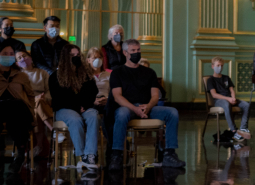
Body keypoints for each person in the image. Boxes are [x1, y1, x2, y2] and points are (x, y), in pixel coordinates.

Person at [109, 39, 185, 170]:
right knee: (121, 113)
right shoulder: (117, 72)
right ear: (125, 52)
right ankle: (117, 156)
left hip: (147, 107)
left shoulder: (149, 72)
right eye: (133, 51)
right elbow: (117, 96)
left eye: (138, 50)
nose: (136, 53)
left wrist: (148, 106)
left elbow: (155, 95)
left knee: (172, 112)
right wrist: (135, 109)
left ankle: (169, 155)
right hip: (128, 108)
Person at [49, 44, 100, 170]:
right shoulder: (55, 76)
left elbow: (92, 92)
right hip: (64, 109)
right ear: (66, 58)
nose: (76, 57)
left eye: (78, 55)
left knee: (93, 115)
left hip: (83, 107)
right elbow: (60, 98)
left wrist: (85, 105)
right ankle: (82, 155)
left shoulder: (86, 74)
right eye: (72, 55)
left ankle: (90, 155)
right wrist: (77, 106)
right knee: (75, 119)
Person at [0, 43, 35, 172]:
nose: (8, 57)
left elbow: (30, 96)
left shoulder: (21, 75)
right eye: (4, 54)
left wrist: (31, 109)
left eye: (11, 54)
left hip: (18, 111)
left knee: (18, 106)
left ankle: (20, 154)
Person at [16, 49, 56, 152]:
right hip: (27, 103)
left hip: (44, 101)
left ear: (31, 58)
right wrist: (34, 99)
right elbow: (19, 93)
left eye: (24, 56)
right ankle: (53, 130)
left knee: (38, 103)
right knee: (36, 106)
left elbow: (49, 90)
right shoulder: (18, 76)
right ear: (17, 63)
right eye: (19, 58)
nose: (23, 59)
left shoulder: (42, 73)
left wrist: (44, 97)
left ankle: (39, 146)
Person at [207, 56, 251, 142]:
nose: (220, 67)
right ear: (213, 66)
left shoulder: (226, 78)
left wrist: (233, 98)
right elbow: (214, 94)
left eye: (221, 65)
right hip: (219, 101)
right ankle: (233, 130)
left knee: (246, 105)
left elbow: (231, 90)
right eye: (218, 65)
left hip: (229, 98)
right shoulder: (210, 80)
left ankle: (243, 128)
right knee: (227, 104)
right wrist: (228, 99)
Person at [86, 47, 111, 113]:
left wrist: (107, 100)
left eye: (100, 57)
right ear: (88, 60)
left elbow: (112, 92)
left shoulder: (109, 74)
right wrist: (93, 101)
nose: (97, 60)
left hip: (106, 102)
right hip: (91, 103)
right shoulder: (85, 76)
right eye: (94, 58)